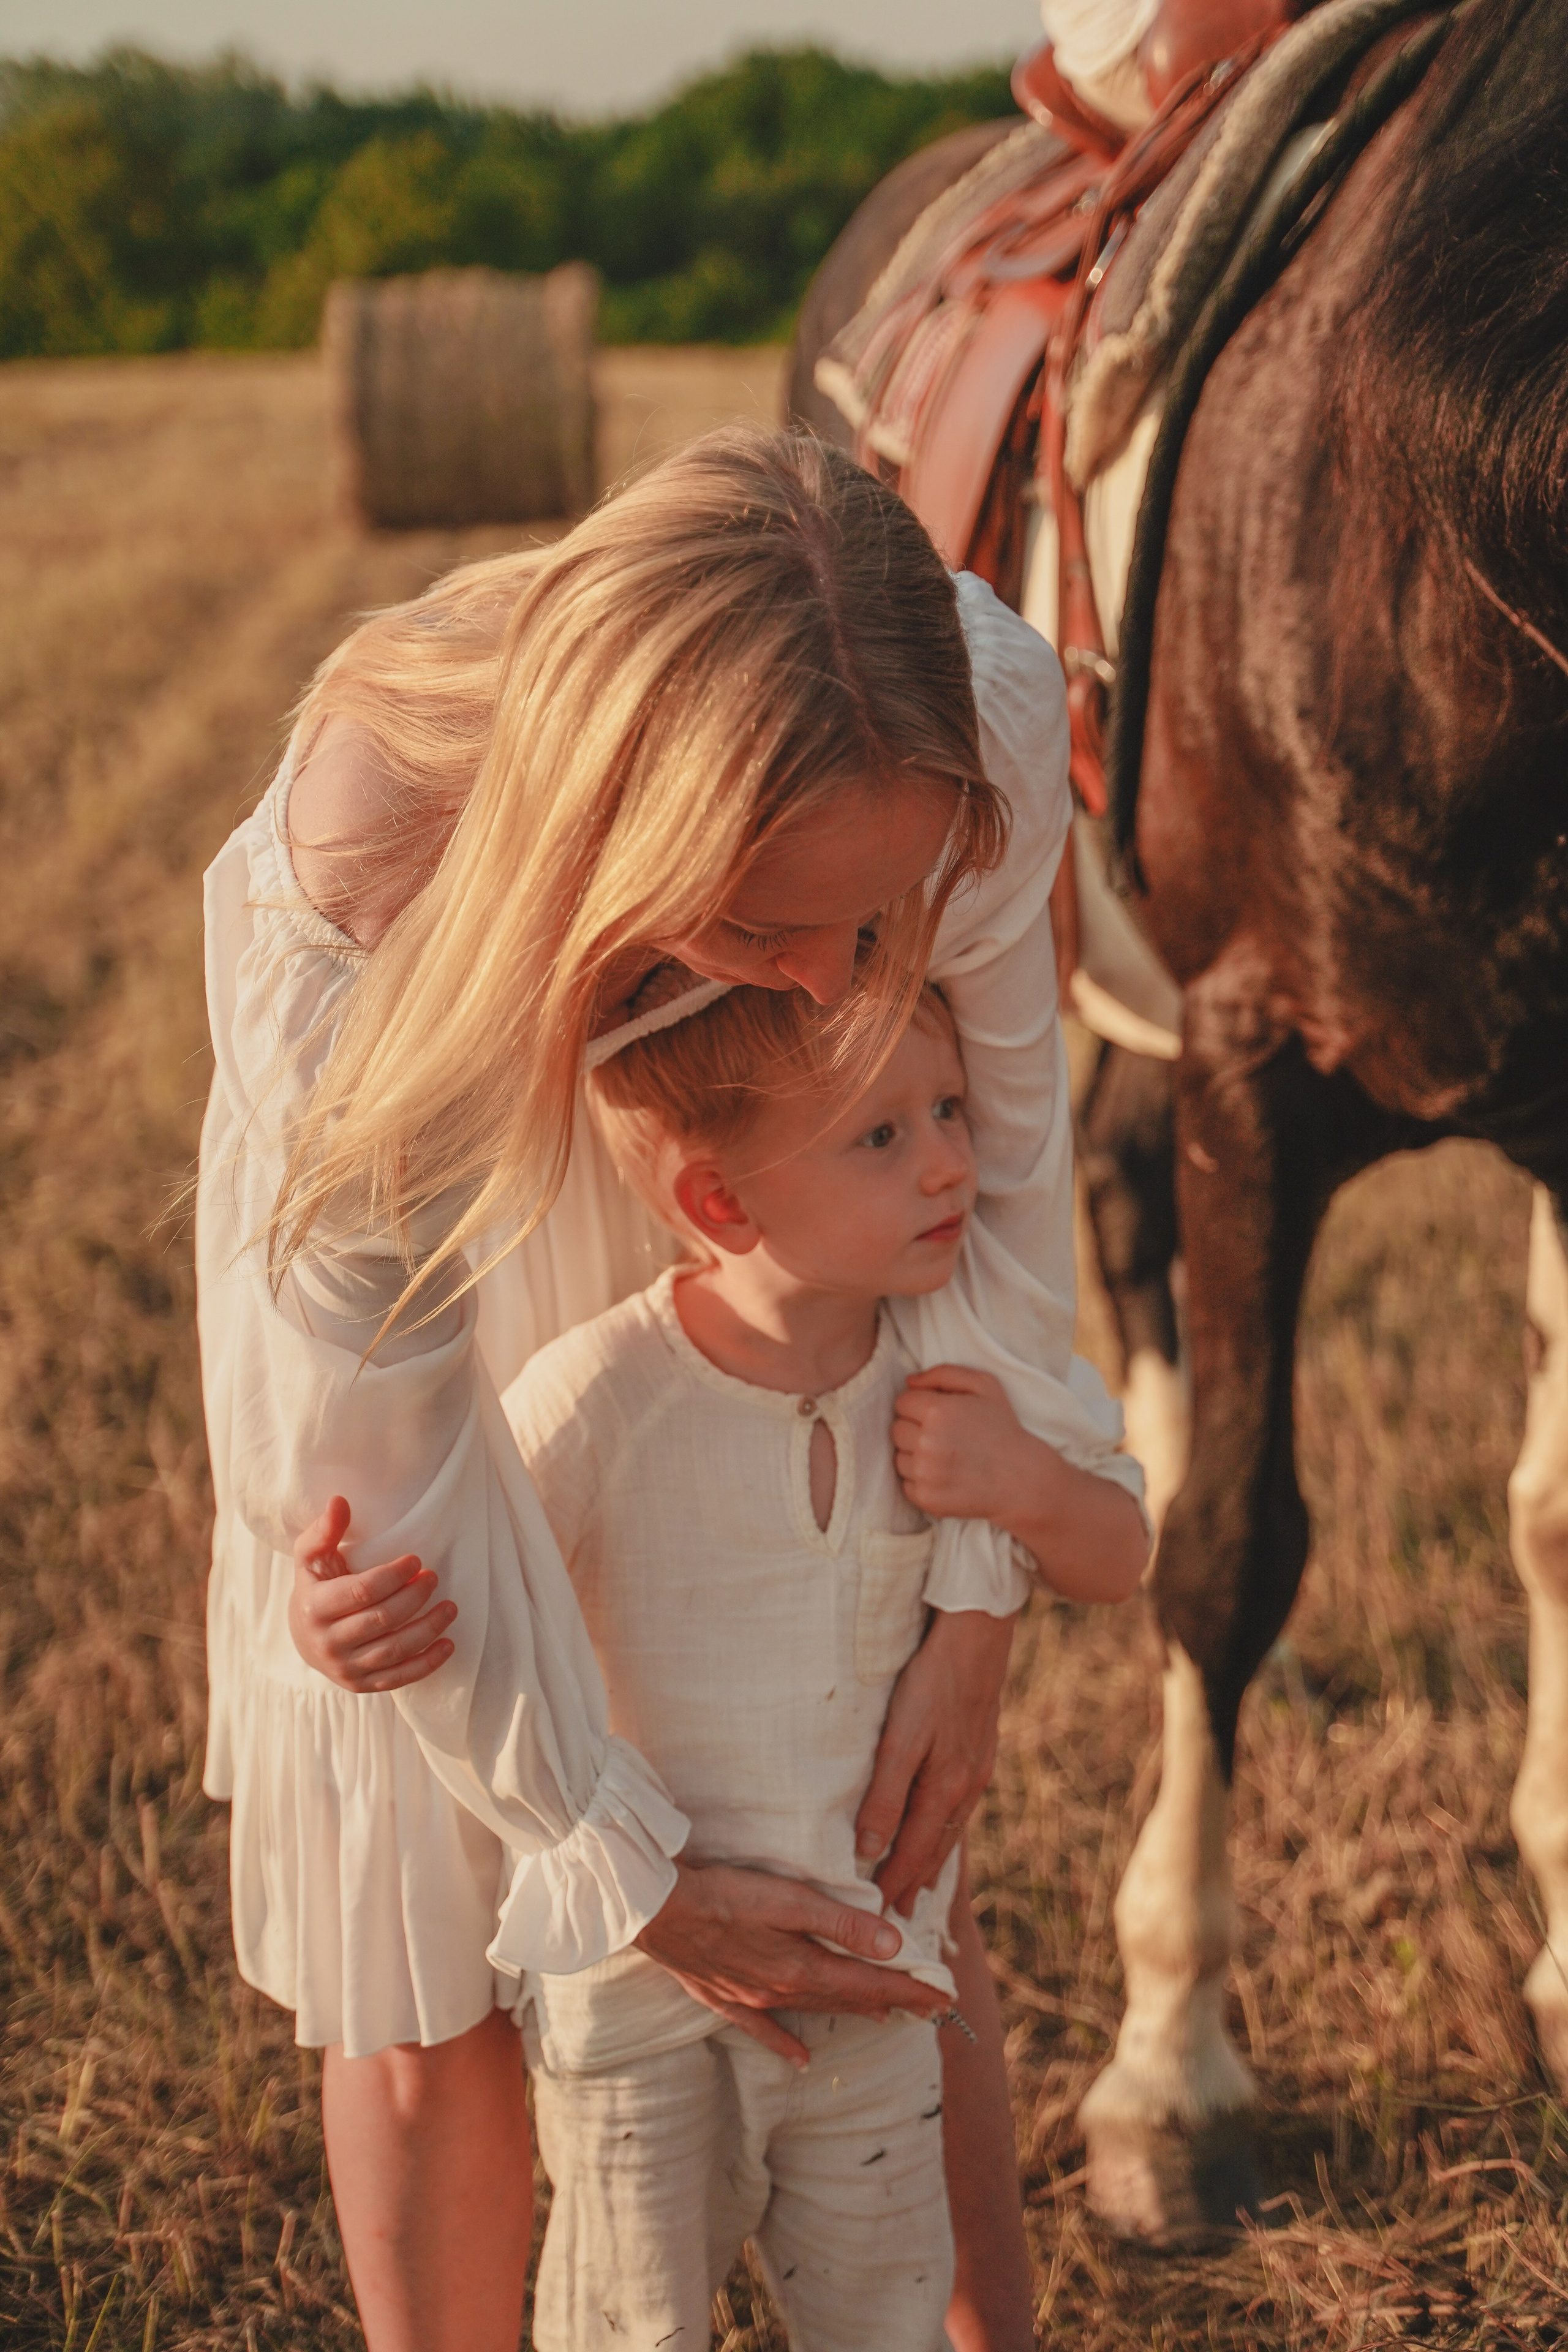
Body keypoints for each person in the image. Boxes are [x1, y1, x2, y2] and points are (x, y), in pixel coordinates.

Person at [198, 424, 1139, 2352]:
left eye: (874, 922)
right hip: (449, 1253)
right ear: (623, 821)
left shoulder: (970, 734)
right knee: (430, 1909)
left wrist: (970, 1604)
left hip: (777, 1176)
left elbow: (1000, 1184)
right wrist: (613, 1862)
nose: (819, 984)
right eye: (767, 918)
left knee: (854, 1845)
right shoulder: (375, 885)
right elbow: (397, 1463)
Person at [508, 975, 1147, 2351]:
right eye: (881, 1137)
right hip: (642, 2009)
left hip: (872, 2004)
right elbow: (483, 1620)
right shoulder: (594, 1400)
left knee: (887, 2317)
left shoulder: (942, 1369)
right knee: (630, 2328)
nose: (949, 1161)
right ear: (723, 1203)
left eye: (949, 1111)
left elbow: (1119, 1552)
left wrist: (1025, 1482)